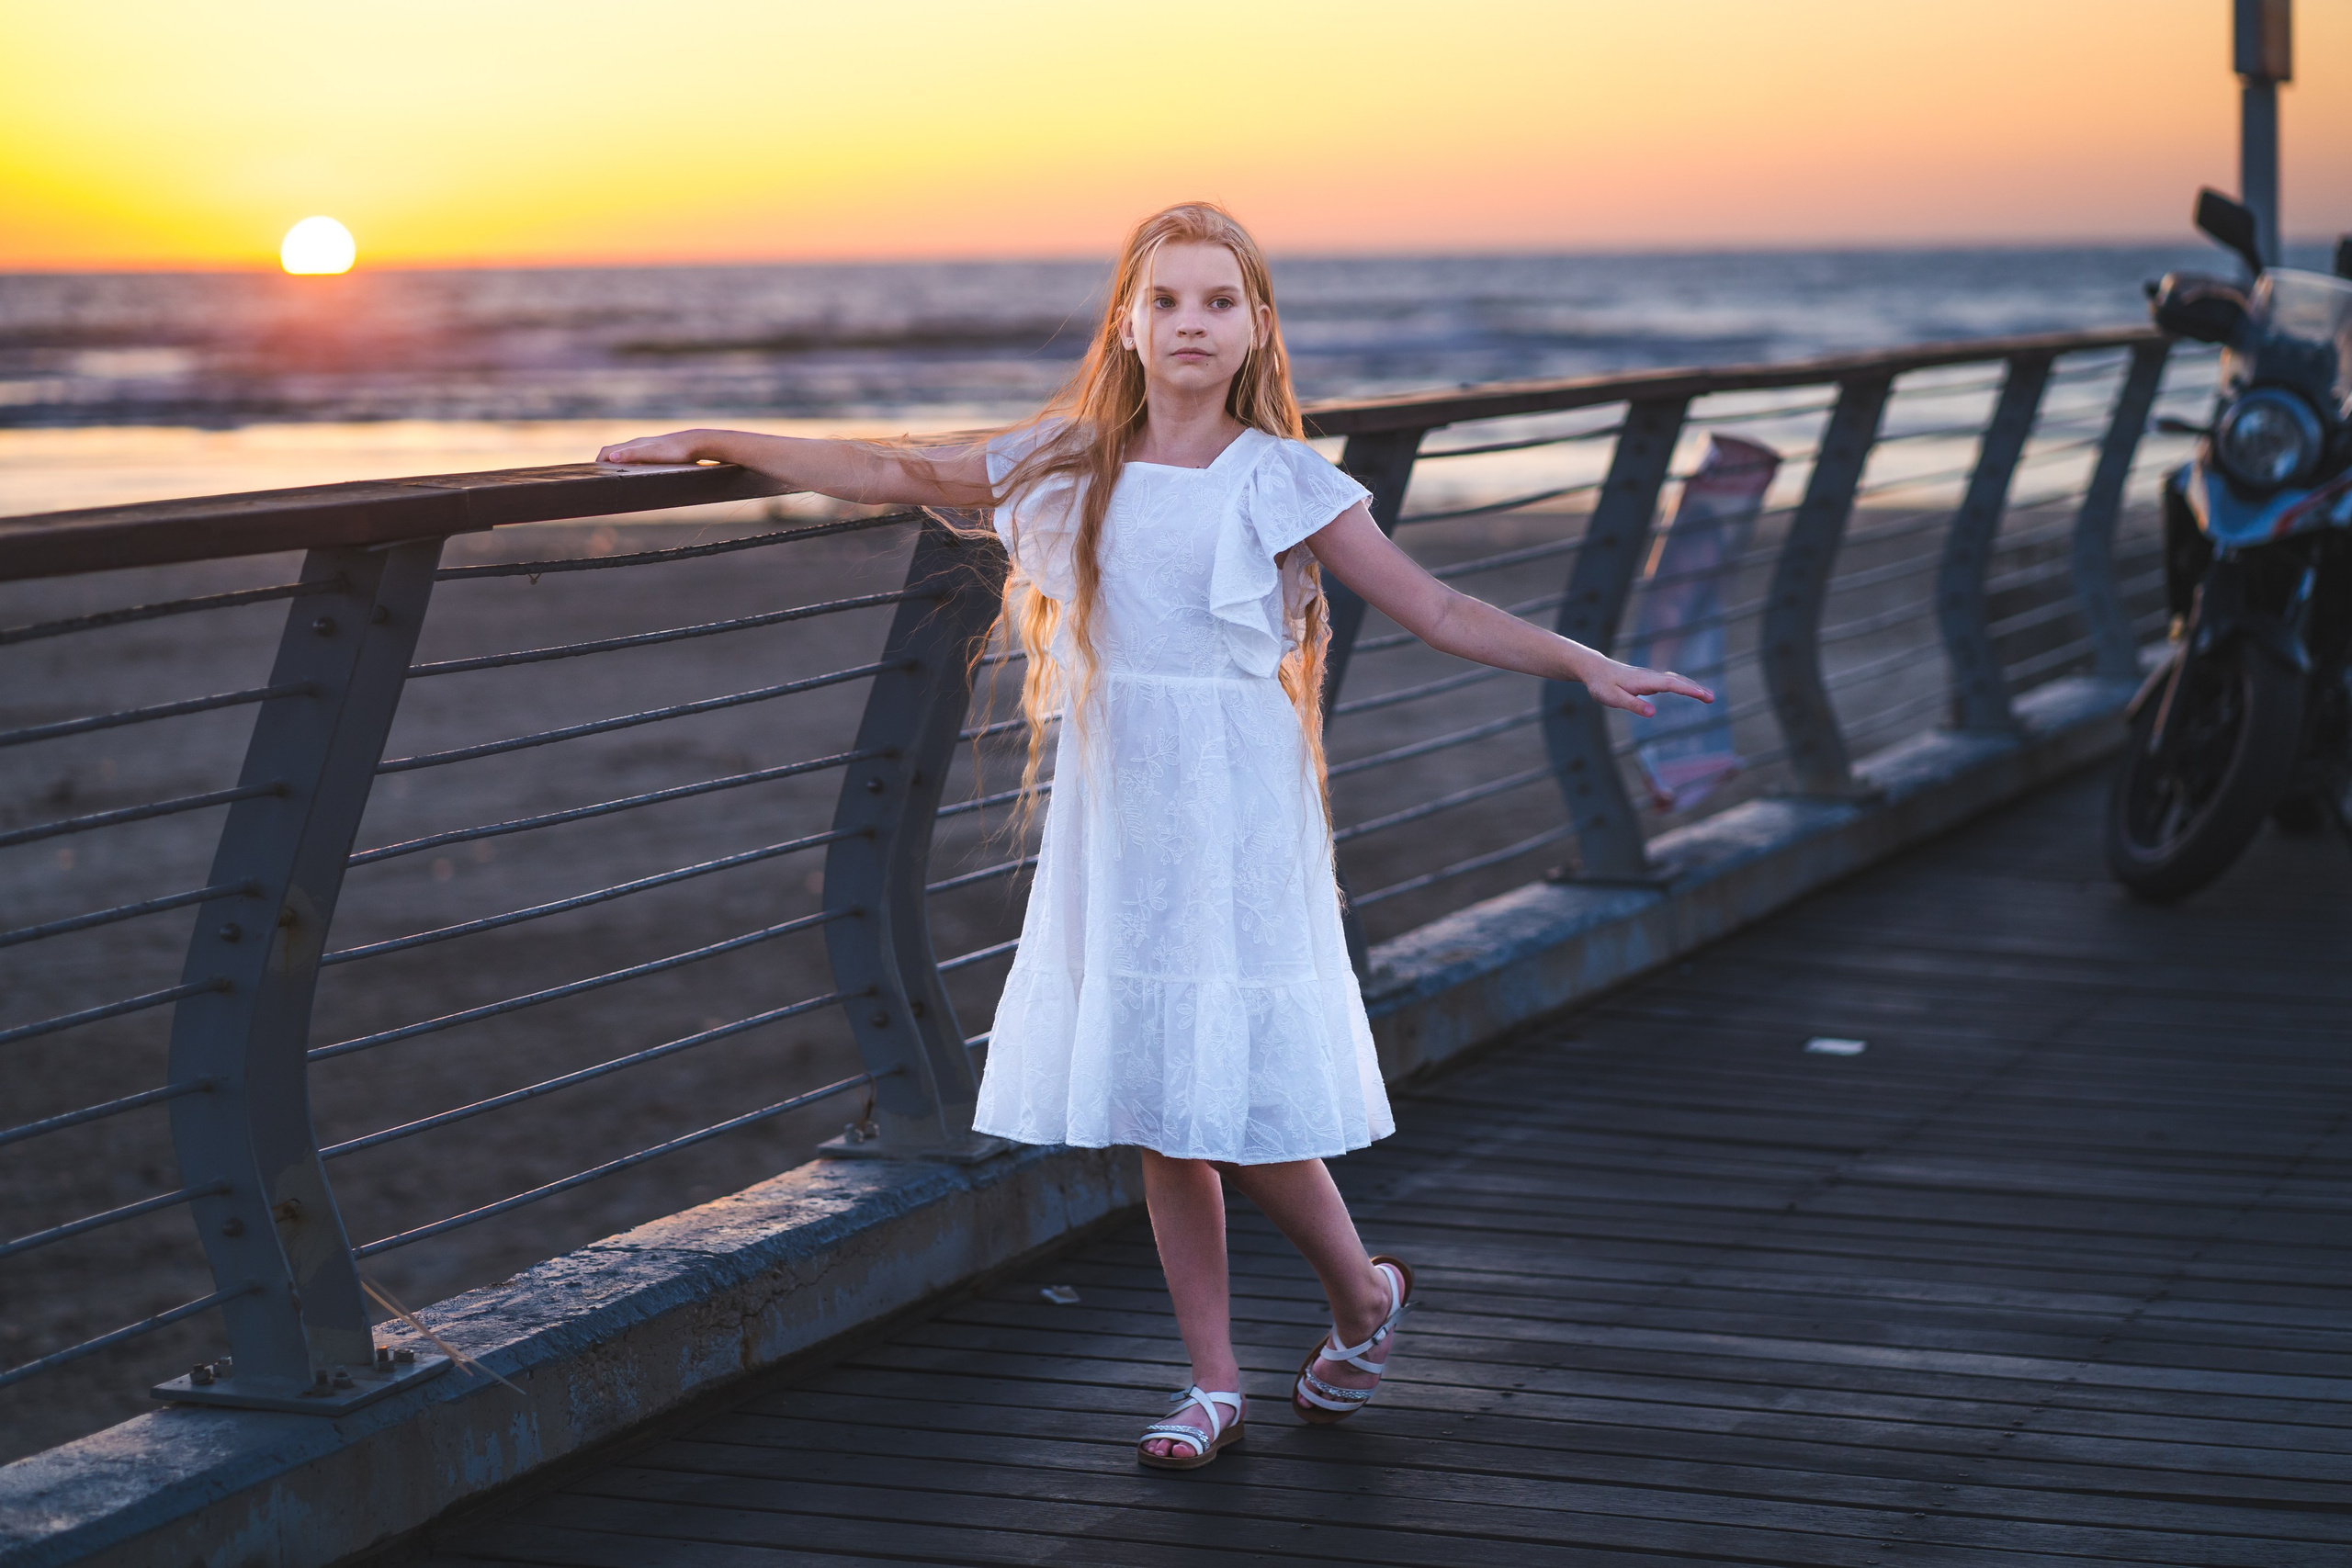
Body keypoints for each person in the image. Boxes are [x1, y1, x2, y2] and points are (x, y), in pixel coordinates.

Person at [597, 202, 1711, 1470]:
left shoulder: (1283, 478)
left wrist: (1588, 665)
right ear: (1127, 323)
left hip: (1236, 806)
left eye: (1219, 303)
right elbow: (893, 468)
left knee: (1225, 1096)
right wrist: (707, 435)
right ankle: (1216, 1382)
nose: (1192, 324)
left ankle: (1361, 1299)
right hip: (1121, 804)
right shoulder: (1075, 458)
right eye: (1168, 301)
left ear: (1256, 329)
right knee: (1164, 1106)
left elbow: (1439, 605)